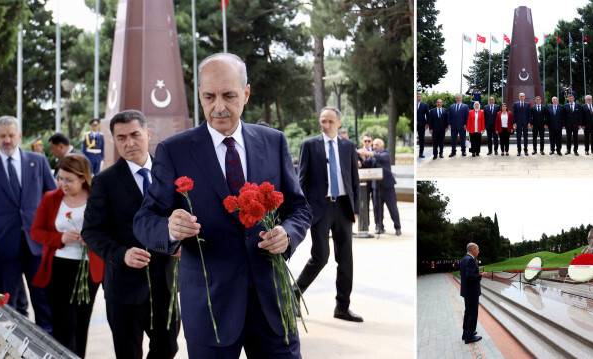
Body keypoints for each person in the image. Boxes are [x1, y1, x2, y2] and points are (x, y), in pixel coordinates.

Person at [133, 53, 312, 357]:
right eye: (209, 96)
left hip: (272, 304)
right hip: (209, 309)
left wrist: (288, 233)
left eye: (228, 95)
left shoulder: (274, 141)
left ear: (246, 93)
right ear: (199, 96)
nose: (218, 107)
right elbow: (143, 220)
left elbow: (300, 208)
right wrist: (169, 228)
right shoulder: (173, 151)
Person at [82, 110, 180, 359]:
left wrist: (182, 242)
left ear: (147, 134)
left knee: (167, 350)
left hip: (165, 284)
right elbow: (91, 232)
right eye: (121, 138)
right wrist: (121, 253)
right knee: (128, 354)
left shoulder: (171, 173)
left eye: (135, 135)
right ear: (114, 140)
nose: (129, 143)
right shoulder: (104, 182)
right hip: (124, 289)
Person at [30, 154, 104, 358]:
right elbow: (36, 231)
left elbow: (109, 230)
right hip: (57, 268)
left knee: (81, 324)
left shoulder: (97, 198)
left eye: (69, 180)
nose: (63, 184)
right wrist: (60, 238)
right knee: (63, 325)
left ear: (83, 178)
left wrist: (93, 240)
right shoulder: (50, 198)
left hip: (89, 270)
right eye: (60, 178)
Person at [294, 105, 362, 324]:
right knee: (320, 257)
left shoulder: (348, 146)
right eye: (323, 121)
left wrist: (356, 210)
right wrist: (301, 210)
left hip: (343, 208)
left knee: (346, 260)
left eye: (330, 121)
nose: (326, 125)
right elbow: (301, 180)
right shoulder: (309, 145)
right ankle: (293, 295)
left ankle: (342, 307)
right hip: (320, 209)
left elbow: (353, 180)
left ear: (339, 123)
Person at [0, 115, 56, 334]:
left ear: (19, 136)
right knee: (9, 305)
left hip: (37, 244)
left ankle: (48, 342)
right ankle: (17, 343)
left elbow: (53, 198)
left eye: (11, 135)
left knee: (43, 298)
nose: (7, 140)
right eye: (2, 136)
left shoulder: (37, 162)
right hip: (3, 246)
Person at [368, 138, 401, 236]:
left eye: (377, 144)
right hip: (376, 186)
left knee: (392, 207)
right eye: (373, 144)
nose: (374, 146)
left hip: (387, 186)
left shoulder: (385, 153)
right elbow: (367, 163)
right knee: (377, 208)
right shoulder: (372, 154)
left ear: (382, 146)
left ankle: (398, 227)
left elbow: (381, 157)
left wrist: (369, 153)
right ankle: (379, 226)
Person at [460, 242, 485, 344]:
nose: (478, 252)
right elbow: (470, 276)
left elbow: (467, 274)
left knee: (468, 313)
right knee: (473, 314)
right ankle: (469, 336)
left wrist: (477, 274)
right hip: (472, 292)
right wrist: (481, 275)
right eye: (478, 250)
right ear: (473, 250)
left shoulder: (464, 259)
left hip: (467, 291)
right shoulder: (470, 260)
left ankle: (466, 333)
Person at [416, 93, 429, 158]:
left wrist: (427, 123)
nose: (418, 98)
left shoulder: (425, 105)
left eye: (419, 97)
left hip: (421, 124)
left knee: (421, 139)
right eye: (417, 96)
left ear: (421, 98)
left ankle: (421, 153)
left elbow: (428, 115)